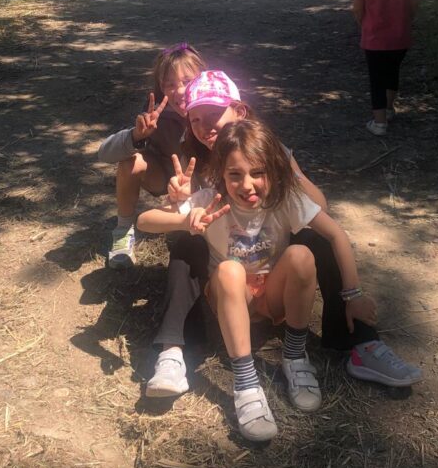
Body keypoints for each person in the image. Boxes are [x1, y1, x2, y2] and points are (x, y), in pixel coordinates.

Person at [143, 71, 421, 407]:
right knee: (186, 244)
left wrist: (283, 172)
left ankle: (360, 340)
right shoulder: (192, 157)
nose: (205, 127)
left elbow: (319, 208)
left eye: (215, 115)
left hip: (268, 258)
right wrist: (179, 204)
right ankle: (174, 350)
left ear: (240, 112)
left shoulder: (268, 152)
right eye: (196, 119)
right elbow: (157, 218)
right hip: (222, 265)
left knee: (313, 240)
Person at [139, 118, 385, 441]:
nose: (247, 185)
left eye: (258, 173)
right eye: (235, 175)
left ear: (274, 170)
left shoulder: (284, 199)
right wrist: (185, 221)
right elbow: (144, 221)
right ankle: (246, 383)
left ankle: (294, 357)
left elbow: (336, 234)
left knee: (302, 255)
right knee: (230, 270)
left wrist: (353, 295)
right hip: (233, 299)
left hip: (272, 300)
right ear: (220, 174)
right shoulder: (210, 200)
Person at [98, 43, 205, 266]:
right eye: (170, 85)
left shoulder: (215, 111)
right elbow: (104, 154)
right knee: (131, 163)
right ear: (161, 89)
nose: (180, 91)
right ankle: (123, 232)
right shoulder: (157, 114)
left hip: (203, 182)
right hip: (166, 176)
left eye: (188, 81)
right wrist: (136, 136)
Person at [351, 0, 418, 137]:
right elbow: (413, 8)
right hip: (400, 39)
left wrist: (365, 25)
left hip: (374, 40)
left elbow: (358, 11)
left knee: (376, 79)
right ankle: (389, 109)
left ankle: (379, 122)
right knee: (392, 73)